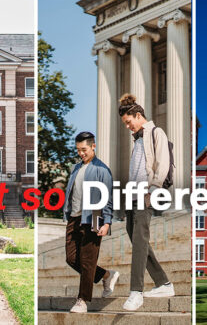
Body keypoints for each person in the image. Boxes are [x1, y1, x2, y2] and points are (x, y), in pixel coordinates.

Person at [118, 93, 175, 311]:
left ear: (138, 115)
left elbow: (163, 163)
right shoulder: (138, 140)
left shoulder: (155, 132)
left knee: (140, 240)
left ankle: (136, 292)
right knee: (136, 238)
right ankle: (163, 282)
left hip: (147, 195)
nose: (127, 127)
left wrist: (154, 191)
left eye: (128, 122)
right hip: (133, 197)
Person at [63, 131, 120, 313]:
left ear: (93, 146)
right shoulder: (75, 168)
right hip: (74, 217)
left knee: (88, 261)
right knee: (72, 258)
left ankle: (82, 300)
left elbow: (108, 199)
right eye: (78, 150)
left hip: (94, 216)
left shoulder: (102, 170)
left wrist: (107, 222)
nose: (81, 153)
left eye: (84, 149)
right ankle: (106, 275)